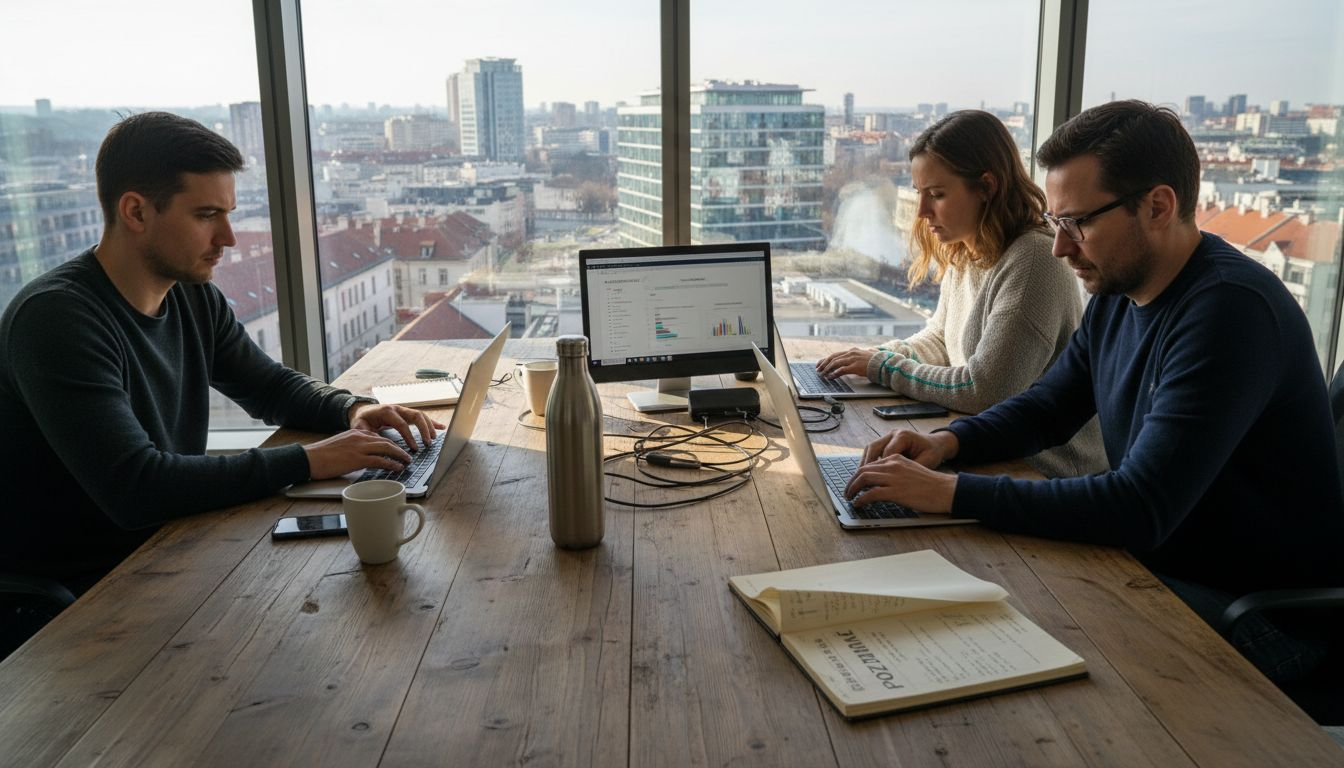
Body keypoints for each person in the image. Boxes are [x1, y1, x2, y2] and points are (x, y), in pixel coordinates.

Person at [844, 100, 1344, 683]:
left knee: (990, 636)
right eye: (1056, 223)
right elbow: (1048, 406)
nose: (1060, 247)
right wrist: (949, 444)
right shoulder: (1119, 289)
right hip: (1156, 567)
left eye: (1077, 223)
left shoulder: (1230, 314)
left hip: (1258, 622)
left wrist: (950, 493)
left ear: (1158, 206)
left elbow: (1139, 508)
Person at [0, 112, 439, 601]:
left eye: (228, 213)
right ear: (136, 212)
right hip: (83, 595)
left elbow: (267, 385)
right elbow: (135, 488)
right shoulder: (56, 319)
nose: (228, 237)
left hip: (170, 548)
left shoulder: (189, 294)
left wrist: (350, 409)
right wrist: (309, 460)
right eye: (207, 216)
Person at [816, 110, 1105, 478]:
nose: (922, 212)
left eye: (936, 195)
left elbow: (985, 389)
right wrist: (881, 355)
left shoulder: (1033, 259)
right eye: (921, 194)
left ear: (986, 186)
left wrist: (883, 368)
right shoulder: (968, 249)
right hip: (989, 457)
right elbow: (941, 337)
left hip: (1043, 474)